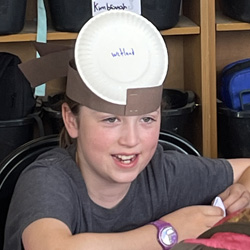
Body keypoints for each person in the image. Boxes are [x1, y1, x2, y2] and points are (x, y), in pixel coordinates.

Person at [4, 10, 250, 250]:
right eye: (111, 120)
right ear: (71, 120)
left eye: (147, 120)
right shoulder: (47, 180)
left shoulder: (162, 173)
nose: (131, 140)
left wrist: (242, 190)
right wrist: (168, 232)